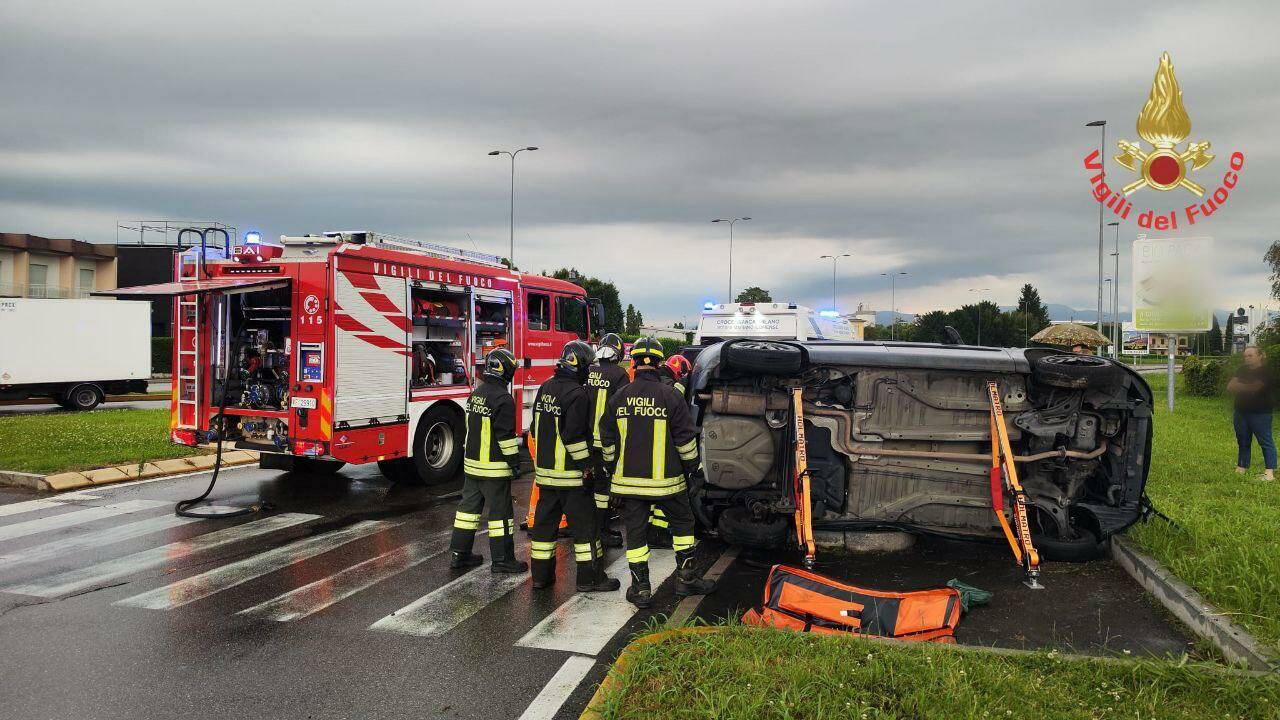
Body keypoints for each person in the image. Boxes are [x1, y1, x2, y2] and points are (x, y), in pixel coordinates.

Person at [600, 337, 714, 609]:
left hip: (629, 486)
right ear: (660, 363)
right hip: (668, 484)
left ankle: (640, 589)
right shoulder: (671, 396)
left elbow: (608, 441)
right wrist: (693, 470)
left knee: (636, 536)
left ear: (634, 362)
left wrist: (611, 474)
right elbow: (685, 440)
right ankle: (686, 578)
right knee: (684, 526)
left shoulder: (620, 397)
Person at [529, 340, 621, 592]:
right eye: (587, 366)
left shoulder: (545, 387)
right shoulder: (577, 394)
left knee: (544, 530)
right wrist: (588, 467)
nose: (589, 371)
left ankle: (541, 577)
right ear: (578, 365)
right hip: (571, 478)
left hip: (546, 476)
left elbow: (535, 429)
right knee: (587, 530)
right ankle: (591, 579)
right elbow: (574, 437)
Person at [449, 348, 527, 573]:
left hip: (472, 466)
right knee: (501, 515)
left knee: (467, 513)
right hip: (494, 470)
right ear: (506, 372)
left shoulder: (477, 394)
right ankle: (502, 560)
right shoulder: (503, 399)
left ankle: (459, 555)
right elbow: (505, 437)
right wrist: (514, 463)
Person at [587, 333, 630, 547]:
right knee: (602, 489)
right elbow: (622, 408)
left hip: (584, 442)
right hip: (605, 440)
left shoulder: (588, 372)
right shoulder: (620, 374)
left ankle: (588, 526)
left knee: (588, 486)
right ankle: (601, 531)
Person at [648, 353, 694, 549]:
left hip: (643, 445)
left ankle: (652, 530)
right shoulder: (672, 386)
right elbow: (678, 406)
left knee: (651, 496)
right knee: (666, 494)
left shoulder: (655, 379)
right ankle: (658, 533)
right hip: (662, 446)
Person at [1227, 345, 1276, 481]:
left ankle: (1269, 473)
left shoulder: (1266, 372)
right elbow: (1230, 387)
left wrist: (1241, 386)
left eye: (1250, 356)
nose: (1247, 359)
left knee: (1265, 441)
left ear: (1260, 356)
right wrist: (1246, 387)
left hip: (1261, 413)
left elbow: (1255, 388)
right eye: (1245, 356)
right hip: (1240, 412)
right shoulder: (1241, 369)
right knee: (1242, 440)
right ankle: (1242, 467)